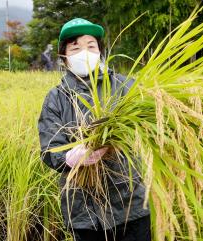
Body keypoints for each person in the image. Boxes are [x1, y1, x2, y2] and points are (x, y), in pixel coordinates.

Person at [38, 18, 151, 241]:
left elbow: (150, 125)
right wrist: (70, 157)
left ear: (100, 52)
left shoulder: (126, 86)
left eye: (91, 46)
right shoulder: (57, 98)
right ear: (64, 56)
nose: (84, 52)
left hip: (130, 203)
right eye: (75, 47)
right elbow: (50, 149)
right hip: (83, 210)